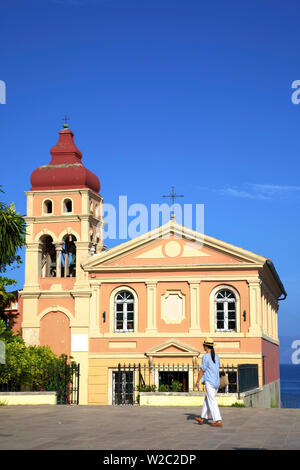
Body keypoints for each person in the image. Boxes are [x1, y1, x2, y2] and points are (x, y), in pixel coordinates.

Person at [194, 338, 222, 427]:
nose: (203, 346)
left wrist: (198, 381)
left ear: (206, 346)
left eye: (203, 345)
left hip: (209, 382)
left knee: (212, 400)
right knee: (208, 399)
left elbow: (202, 369)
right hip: (216, 382)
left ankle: (218, 420)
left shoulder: (206, 356)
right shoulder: (216, 357)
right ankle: (202, 418)